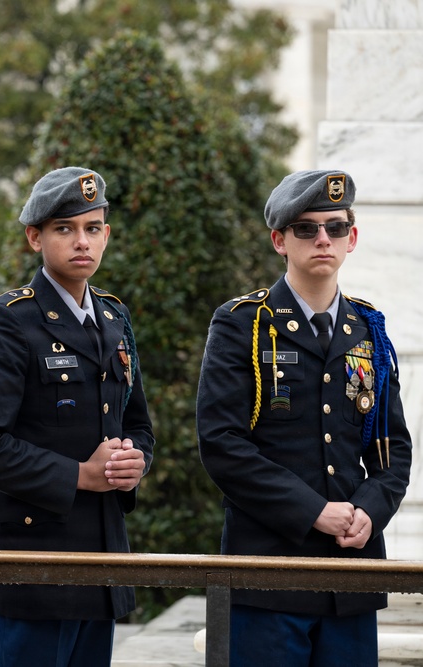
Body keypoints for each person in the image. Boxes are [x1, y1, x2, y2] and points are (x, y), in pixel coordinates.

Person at [196, 170, 412, 666]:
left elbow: (392, 447)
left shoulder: (368, 329)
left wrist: (370, 511)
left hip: (352, 576)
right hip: (269, 573)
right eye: (305, 229)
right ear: (279, 240)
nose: (322, 239)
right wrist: (314, 510)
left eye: (336, 228)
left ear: (351, 238)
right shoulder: (242, 323)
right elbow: (222, 443)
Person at [0, 166, 154, 667]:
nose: (80, 241)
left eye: (91, 228)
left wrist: (136, 464)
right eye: (64, 229)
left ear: (106, 235)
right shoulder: (11, 319)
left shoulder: (114, 317)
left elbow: (138, 425)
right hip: (33, 561)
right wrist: (81, 475)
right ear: (34, 237)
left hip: (102, 556)